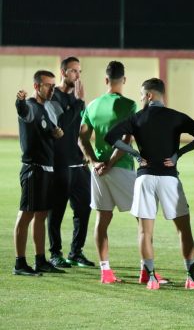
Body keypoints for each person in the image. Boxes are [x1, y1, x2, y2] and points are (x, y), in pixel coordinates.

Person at [105, 78, 194, 290]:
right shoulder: (176, 117)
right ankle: (191, 278)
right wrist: (178, 154)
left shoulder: (137, 118)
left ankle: (151, 279)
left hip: (144, 179)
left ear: (150, 95)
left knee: (145, 232)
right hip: (169, 178)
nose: (141, 98)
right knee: (183, 230)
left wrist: (135, 154)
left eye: (142, 94)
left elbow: (110, 136)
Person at [79, 61, 146, 284]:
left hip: (97, 171)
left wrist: (94, 161)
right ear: (124, 80)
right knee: (143, 218)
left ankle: (105, 271)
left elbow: (82, 137)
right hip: (122, 167)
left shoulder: (93, 105)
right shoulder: (129, 105)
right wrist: (110, 161)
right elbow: (126, 139)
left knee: (102, 218)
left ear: (106, 80)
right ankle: (146, 271)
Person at [13, 70, 65, 276]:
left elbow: (51, 130)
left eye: (53, 85)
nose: (51, 88)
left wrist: (57, 132)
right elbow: (22, 110)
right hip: (33, 170)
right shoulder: (31, 107)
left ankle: (40, 260)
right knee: (26, 215)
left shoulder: (45, 109)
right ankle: (20, 263)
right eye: (47, 85)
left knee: (41, 215)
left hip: (46, 170)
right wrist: (20, 101)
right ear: (37, 86)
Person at [46, 57, 95, 269]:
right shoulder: (53, 97)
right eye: (74, 71)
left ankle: (76, 252)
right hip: (59, 164)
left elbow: (79, 129)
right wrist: (79, 102)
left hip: (79, 164)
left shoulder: (76, 100)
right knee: (56, 211)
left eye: (79, 72)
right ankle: (55, 253)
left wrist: (87, 154)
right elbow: (62, 126)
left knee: (84, 210)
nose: (78, 76)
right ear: (63, 72)